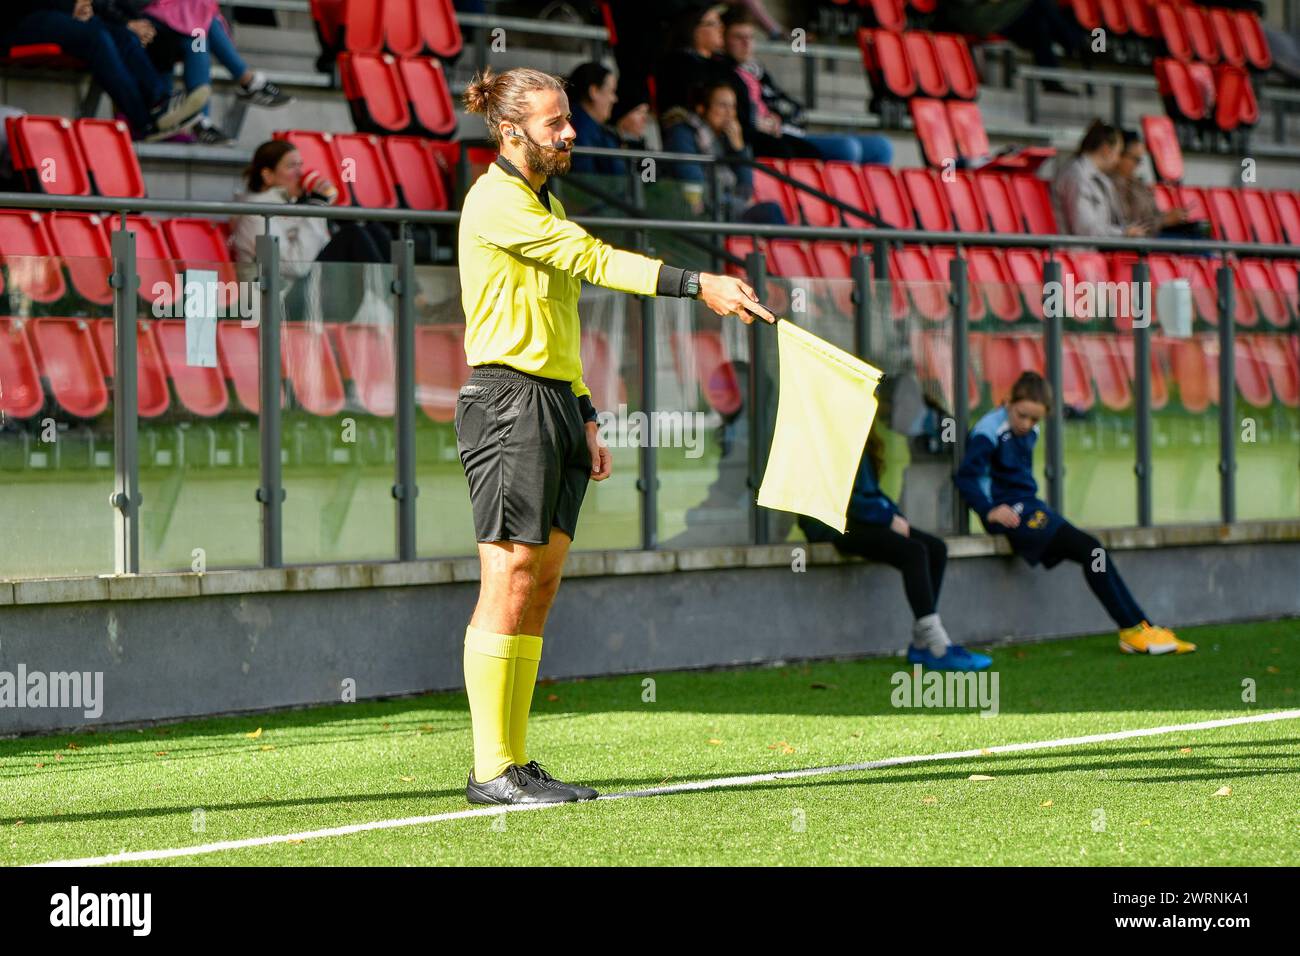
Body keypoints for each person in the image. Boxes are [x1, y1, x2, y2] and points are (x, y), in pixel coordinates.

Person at [456, 65, 774, 806]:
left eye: (568, 117)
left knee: (539, 585)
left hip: (552, 401)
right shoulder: (497, 201)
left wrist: (586, 409)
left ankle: (514, 760)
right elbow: (593, 261)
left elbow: (558, 318)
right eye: (554, 122)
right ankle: (489, 769)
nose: (569, 132)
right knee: (508, 579)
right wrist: (702, 285)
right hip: (507, 402)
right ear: (511, 131)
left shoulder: (545, 198)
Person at [954, 371, 1196, 655]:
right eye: (1022, 416)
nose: (1028, 424)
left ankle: (1142, 627)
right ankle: (1132, 630)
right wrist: (989, 511)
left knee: (1094, 552)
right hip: (1011, 514)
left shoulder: (1030, 429)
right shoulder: (987, 430)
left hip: (1030, 506)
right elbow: (966, 477)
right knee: (1090, 549)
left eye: (1035, 419)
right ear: (1007, 402)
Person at [799, 414, 990, 672]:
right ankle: (937, 645)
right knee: (914, 552)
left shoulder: (856, 431)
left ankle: (922, 645)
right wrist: (888, 517)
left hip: (860, 518)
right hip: (833, 525)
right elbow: (848, 500)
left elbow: (870, 493)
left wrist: (893, 514)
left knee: (935, 549)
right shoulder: (829, 438)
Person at [229, 140, 392, 325]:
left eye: (300, 165)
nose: (300, 173)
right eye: (291, 166)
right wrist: (315, 209)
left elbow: (318, 248)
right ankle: (398, 300)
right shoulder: (255, 214)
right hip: (276, 305)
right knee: (353, 236)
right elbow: (296, 266)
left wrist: (313, 206)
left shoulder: (290, 204)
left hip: (302, 292)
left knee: (373, 229)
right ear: (267, 175)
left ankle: (411, 298)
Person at [3, 0, 208, 142]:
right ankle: (144, 122)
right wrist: (71, 6)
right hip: (22, 19)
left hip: (61, 13)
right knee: (96, 38)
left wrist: (118, 19)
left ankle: (160, 102)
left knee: (124, 36)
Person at [95, 0, 294, 145]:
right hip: (135, 17)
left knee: (199, 32)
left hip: (177, 19)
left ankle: (201, 120)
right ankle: (247, 82)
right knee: (201, 24)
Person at [722, 8, 892, 165]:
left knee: (882, 146)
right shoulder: (723, 73)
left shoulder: (757, 70)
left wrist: (778, 118)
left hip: (789, 130)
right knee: (847, 148)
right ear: (724, 40)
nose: (746, 43)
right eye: (739, 37)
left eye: (750, 37)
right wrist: (761, 123)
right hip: (774, 138)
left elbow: (790, 106)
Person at [660, 80, 786, 223]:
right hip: (699, 214)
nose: (729, 113)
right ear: (701, 108)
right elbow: (695, 186)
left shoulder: (728, 138)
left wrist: (739, 148)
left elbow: (746, 189)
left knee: (771, 210)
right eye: (722, 105)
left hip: (728, 208)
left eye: (733, 107)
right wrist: (734, 201)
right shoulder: (682, 134)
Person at [1051, 120, 1145, 238]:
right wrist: (1123, 233)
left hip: (1097, 250)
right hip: (1080, 252)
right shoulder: (1077, 176)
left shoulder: (1101, 179)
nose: (1117, 160)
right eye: (1118, 153)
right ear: (1106, 149)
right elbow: (1084, 229)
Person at [1111, 129, 1205, 239]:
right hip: (1143, 239)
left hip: (1155, 234)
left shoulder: (1137, 183)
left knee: (1199, 235)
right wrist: (1164, 220)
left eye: (1140, 160)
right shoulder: (1113, 184)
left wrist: (1169, 217)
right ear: (1119, 156)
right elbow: (1130, 222)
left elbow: (1151, 214)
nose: (1138, 165)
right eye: (1135, 159)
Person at [564, 61, 648, 177]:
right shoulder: (579, 133)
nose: (614, 99)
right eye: (612, 91)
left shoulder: (591, 130)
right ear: (594, 91)